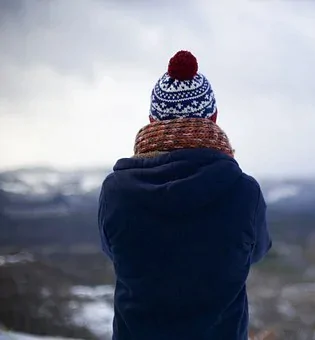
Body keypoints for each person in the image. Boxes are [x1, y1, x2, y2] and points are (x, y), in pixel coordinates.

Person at [98, 50, 272, 340]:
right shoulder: (244, 192)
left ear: (152, 119)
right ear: (213, 117)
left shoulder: (115, 191)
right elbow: (257, 250)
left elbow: (111, 250)